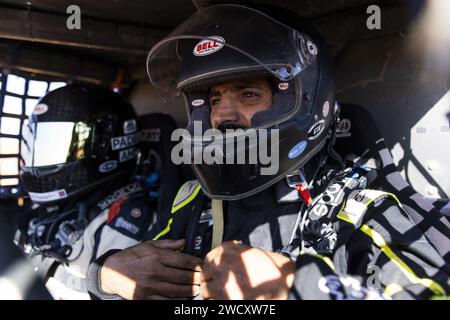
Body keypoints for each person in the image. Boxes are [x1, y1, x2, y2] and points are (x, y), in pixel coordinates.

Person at [86, 4, 450, 300]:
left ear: (303, 100)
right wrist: (104, 277)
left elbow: (431, 290)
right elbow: (143, 271)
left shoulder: (357, 210)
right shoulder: (192, 201)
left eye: (247, 94)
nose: (222, 116)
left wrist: (294, 285)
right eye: (214, 100)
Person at [14, 84, 161, 299]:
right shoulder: (46, 209)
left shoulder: (123, 225)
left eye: (58, 145)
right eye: (42, 144)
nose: (41, 159)